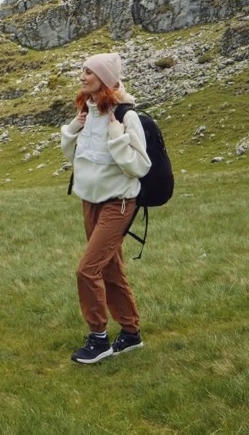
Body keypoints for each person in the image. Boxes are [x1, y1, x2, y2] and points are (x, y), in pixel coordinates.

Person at [59, 52, 152, 364]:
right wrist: (74, 126)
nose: (82, 76)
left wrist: (116, 139)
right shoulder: (88, 113)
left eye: (88, 71)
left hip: (119, 203)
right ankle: (130, 334)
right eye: (82, 70)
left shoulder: (126, 117)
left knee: (87, 270)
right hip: (90, 202)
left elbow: (140, 165)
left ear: (104, 78)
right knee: (110, 269)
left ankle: (99, 339)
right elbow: (74, 157)